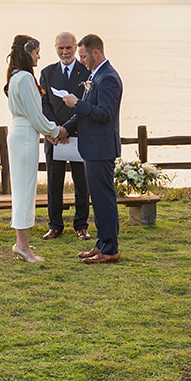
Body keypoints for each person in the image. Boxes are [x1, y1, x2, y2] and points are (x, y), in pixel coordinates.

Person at [61, 33, 123, 264]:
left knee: (104, 198)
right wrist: (65, 129)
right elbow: (84, 113)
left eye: (84, 56)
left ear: (96, 53)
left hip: (102, 148)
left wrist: (78, 102)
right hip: (93, 148)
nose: (82, 61)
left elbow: (105, 114)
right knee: (97, 199)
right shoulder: (95, 75)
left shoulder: (108, 78)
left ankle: (110, 249)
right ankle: (102, 243)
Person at [5, 35, 61, 263]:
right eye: (37, 52)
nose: (39, 56)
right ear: (28, 53)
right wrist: (54, 131)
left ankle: (21, 243)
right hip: (26, 136)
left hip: (20, 133)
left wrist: (46, 130)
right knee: (25, 192)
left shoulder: (15, 76)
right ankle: (24, 247)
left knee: (21, 190)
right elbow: (35, 115)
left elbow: (31, 115)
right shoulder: (26, 78)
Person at [39, 31, 90, 242]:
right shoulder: (47, 72)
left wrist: (67, 129)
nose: (65, 52)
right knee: (54, 183)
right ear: (56, 48)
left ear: (75, 47)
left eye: (69, 47)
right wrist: (54, 130)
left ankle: (81, 226)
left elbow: (86, 105)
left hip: (79, 136)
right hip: (54, 138)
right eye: (61, 48)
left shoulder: (86, 72)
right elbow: (44, 105)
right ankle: (55, 226)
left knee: (82, 183)